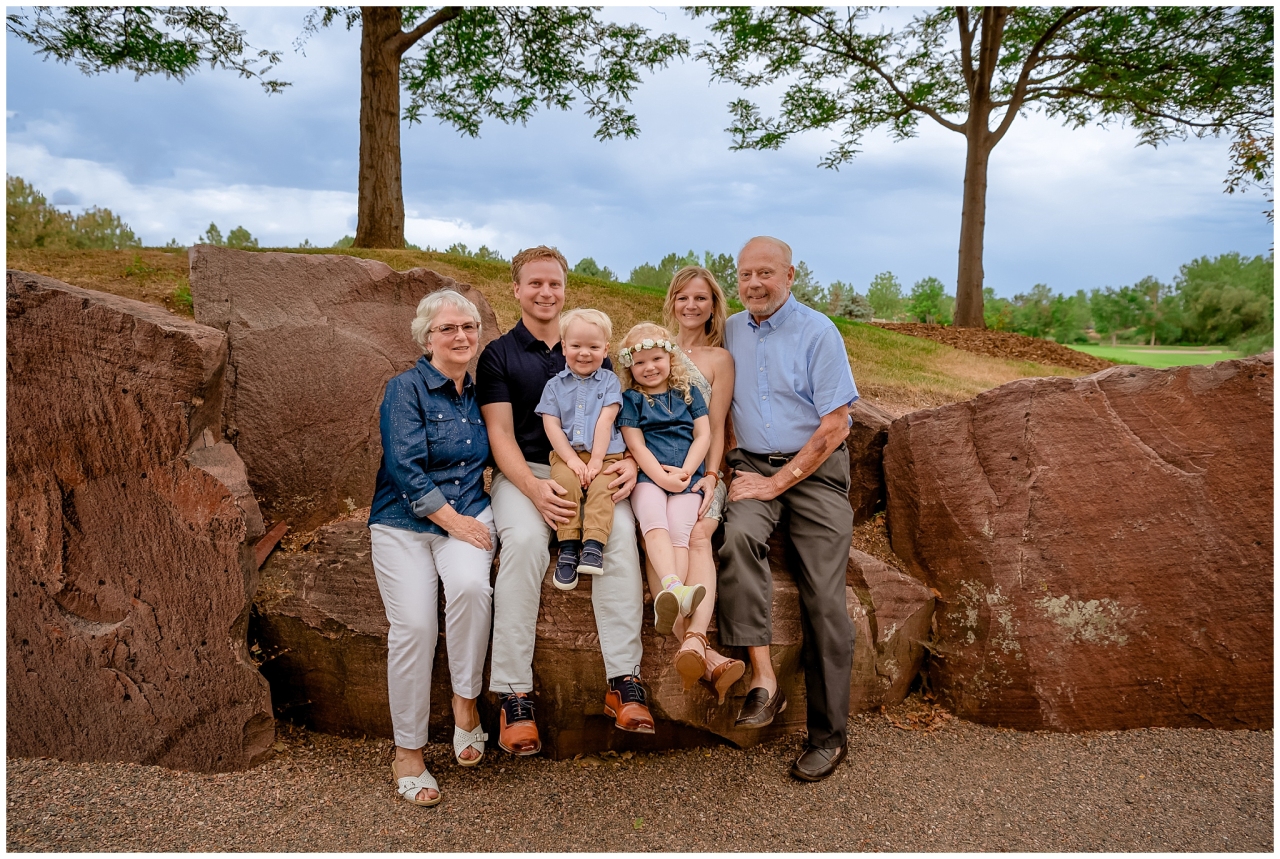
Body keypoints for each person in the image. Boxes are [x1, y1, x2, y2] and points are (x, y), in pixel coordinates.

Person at [478, 246, 655, 754]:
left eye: (553, 283)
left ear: (564, 289)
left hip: (596, 470)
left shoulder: (590, 343)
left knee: (620, 534)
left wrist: (628, 465)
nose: (545, 292)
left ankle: (624, 684)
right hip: (527, 474)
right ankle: (516, 696)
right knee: (526, 545)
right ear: (515, 290)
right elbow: (500, 435)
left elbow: (625, 417)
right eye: (534, 283)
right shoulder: (499, 355)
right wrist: (534, 490)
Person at [717, 236, 859, 782]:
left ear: (791, 275)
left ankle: (828, 736)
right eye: (746, 274)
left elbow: (835, 425)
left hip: (814, 472)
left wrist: (778, 483)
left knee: (823, 596)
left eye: (766, 273)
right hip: (751, 466)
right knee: (735, 539)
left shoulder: (818, 332)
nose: (755, 284)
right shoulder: (729, 329)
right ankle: (762, 681)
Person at [368, 289, 496, 807]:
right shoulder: (406, 389)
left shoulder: (483, 390)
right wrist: (453, 522)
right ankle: (409, 752)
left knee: (471, 587)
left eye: (467, 327)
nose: (460, 336)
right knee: (415, 627)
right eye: (448, 329)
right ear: (427, 338)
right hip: (404, 521)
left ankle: (465, 705)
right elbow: (404, 467)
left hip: (468, 509)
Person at [654, 269, 748, 702]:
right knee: (657, 540)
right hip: (656, 474)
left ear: (714, 305)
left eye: (701, 298)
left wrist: (712, 478)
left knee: (699, 534)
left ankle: (694, 638)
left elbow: (715, 421)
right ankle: (704, 655)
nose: (691, 306)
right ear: (672, 301)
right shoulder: (657, 349)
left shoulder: (719, 359)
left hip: (702, 472)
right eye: (683, 298)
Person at [616, 323, 711, 644]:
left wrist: (685, 472)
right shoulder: (631, 399)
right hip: (648, 477)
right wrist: (661, 477)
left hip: (688, 476)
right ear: (630, 367)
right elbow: (636, 444)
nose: (649, 367)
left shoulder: (688, 392)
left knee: (680, 531)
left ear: (671, 357)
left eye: (656, 358)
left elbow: (704, 434)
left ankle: (671, 598)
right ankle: (674, 588)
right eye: (639, 362)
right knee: (654, 522)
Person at [535, 308, 627, 589]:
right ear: (564, 347)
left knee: (603, 490)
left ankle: (593, 544)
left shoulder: (610, 381)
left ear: (606, 349)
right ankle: (569, 546)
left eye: (593, 347)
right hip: (567, 454)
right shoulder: (553, 386)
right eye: (576, 346)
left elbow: (605, 420)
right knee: (564, 486)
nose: (584, 353)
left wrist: (597, 461)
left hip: (607, 453)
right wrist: (573, 461)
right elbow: (551, 427)